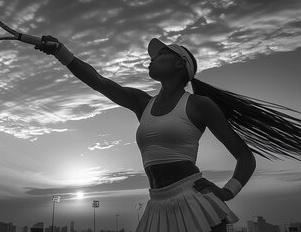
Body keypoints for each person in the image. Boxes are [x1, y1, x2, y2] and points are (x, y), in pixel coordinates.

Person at [36, 36, 301, 232]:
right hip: (156, 203)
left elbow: (245, 157)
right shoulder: (142, 103)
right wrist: (60, 51)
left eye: (160, 54)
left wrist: (228, 192)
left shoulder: (199, 105)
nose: (151, 58)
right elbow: (98, 82)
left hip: (195, 201)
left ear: (178, 64)